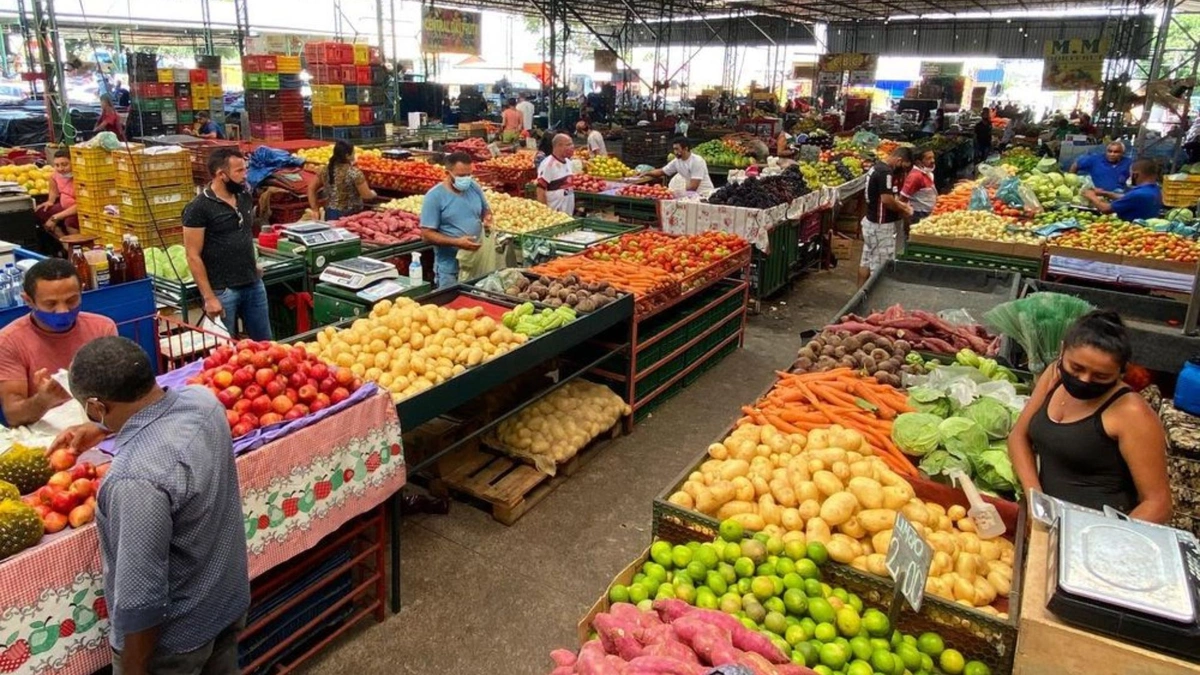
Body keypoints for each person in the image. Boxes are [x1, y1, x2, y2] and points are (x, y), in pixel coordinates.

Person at [56, 336, 250, 674]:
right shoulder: (203, 402)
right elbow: (159, 418)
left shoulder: (134, 479)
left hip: (178, 640)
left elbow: (141, 599)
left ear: (96, 406)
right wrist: (104, 430)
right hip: (225, 601)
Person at [1008, 311, 1172, 521]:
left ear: (1121, 372)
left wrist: (1100, 541)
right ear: (1062, 351)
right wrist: (1036, 498)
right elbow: (1018, 437)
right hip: (1049, 519)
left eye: (1101, 376)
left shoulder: (1132, 413)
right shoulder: (1054, 375)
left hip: (1097, 528)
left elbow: (1158, 504)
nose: (1084, 380)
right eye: (1076, 368)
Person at [0, 259, 117, 426]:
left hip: (97, 425)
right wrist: (43, 400)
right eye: (50, 304)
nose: (63, 311)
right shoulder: (8, 341)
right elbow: (13, 415)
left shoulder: (103, 328)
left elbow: (118, 392)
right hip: (44, 437)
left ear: (82, 291)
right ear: (28, 301)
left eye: (71, 300)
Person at [182, 147, 271, 340]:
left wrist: (251, 264)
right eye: (239, 171)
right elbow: (192, 255)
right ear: (221, 174)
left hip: (253, 283)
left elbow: (243, 235)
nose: (245, 175)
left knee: (266, 345)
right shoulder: (198, 208)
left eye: (245, 169)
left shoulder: (244, 197)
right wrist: (209, 297)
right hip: (223, 290)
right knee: (224, 350)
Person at [420, 152, 493, 288]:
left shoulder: (474, 187)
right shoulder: (434, 197)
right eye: (461, 176)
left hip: (475, 261)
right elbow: (426, 234)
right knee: (451, 304)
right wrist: (456, 242)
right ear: (448, 173)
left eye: (469, 175)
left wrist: (487, 219)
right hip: (450, 267)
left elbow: (486, 210)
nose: (466, 179)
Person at [859, 146, 914, 287]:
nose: (903, 171)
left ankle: (858, 298)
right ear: (899, 160)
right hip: (881, 226)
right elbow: (887, 200)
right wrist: (904, 208)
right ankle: (874, 303)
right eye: (903, 166)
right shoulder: (886, 172)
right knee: (880, 267)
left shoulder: (876, 167)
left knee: (866, 260)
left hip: (870, 223)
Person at [307, 140, 376, 221]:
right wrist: (373, 194)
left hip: (330, 214)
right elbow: (366, 195)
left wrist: (315, 209)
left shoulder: (325, 170)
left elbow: (311, 188)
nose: (355, 155)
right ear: (348, 156)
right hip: (350, 215)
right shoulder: (354, 173)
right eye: (353, 153)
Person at [1082, 158, 1163, 221]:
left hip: (1131, 232)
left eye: (1130, 174)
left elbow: (1105, 209)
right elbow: (1127, 198)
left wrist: (1092, 196)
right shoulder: (1154, 189)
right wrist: (1104, 193)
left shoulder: (1139, 194)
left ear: (1135, 175)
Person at [642, 137, 714, 195]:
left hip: (703, 194)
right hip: (691, 195)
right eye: (674, 149)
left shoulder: (697, 161)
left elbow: (693, 187)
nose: (675, 152)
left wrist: (676, 192)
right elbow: (662, 171)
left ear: (685, 149)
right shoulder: (677, 161)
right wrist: (646, 173)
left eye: (677, 149)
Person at [35, 150, 79, 242]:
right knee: (41, 211)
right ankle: (63, 241)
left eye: (64, 164)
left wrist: (56, 217)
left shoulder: (80, 177)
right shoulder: (55, 175)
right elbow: (53, 188)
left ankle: (78, 247)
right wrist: (50, 201)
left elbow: (81, 204)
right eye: (57, 165)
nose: (60, 169)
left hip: (77, 210)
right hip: (64, 206)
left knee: (70, 222)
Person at [536, 134, 576, 215]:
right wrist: (545, 213)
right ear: (558, 146)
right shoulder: (548, 164)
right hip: (554, 214)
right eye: (568, 144)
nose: (572, 147)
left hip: (568, 214)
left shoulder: (568, 162)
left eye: (572, 144)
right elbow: (540, 191)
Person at [901, 148, 937, 223]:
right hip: (919, 215)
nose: (933, 160)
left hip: (928, 213)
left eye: (933, 157)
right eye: (929, 158)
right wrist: (907, 219)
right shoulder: (915, 176)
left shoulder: (928, 173)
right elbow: (903, 199)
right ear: (918, 162)